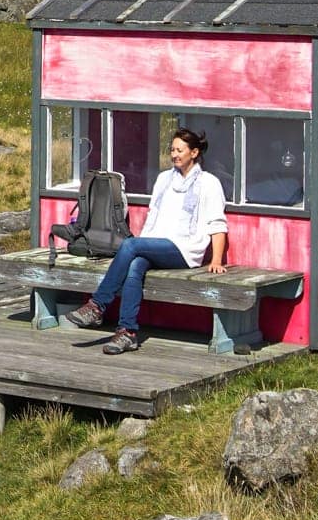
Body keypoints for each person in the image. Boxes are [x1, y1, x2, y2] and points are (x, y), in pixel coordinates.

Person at [64, 127, 228, 354]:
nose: (174, 155)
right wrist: (144, 244)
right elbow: (154, 216)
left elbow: (217, 224)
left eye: (180, 150)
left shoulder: (209, 183)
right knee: (134, 265)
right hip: (155, 244)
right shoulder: (163, 179)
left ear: (194, 152)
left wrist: (217, 259)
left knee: (130, 245)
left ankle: (97, 305)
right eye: (172, 149)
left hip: (184, 250)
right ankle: (127, 333)